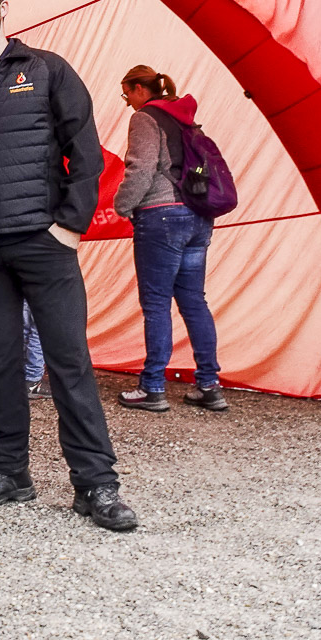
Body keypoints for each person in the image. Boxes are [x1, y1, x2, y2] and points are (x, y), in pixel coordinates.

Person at [0, 0, 137, 532]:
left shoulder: (46, 69)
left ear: (3, 6)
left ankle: (96, 484)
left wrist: (69, 227)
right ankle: (10, 473)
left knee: (69, 362)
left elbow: (87, 153)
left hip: (44, 243)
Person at [113, 65, 229, 413]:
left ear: (138, 89)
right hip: (197, 215)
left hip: (161, 216)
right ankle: (209, 385)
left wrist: (121, 204)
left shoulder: (146, 118)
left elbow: (141, 168)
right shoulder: (186, 118)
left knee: (157, 304)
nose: (127, 103)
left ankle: (152, 388)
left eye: (126, 95)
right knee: (194, 301)